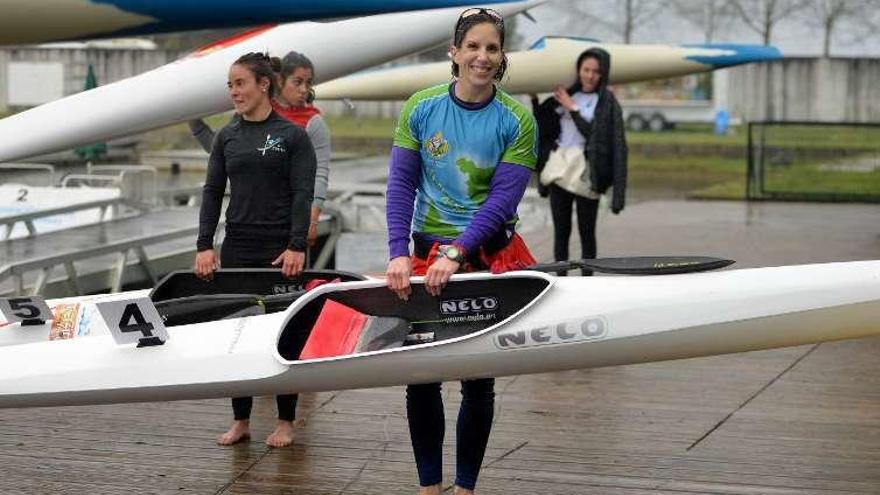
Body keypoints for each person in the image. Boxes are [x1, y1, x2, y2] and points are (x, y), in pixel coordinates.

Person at [384, 8, 537, 494]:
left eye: (492, 48)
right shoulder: (421, 107)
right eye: (472, 46)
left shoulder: (516, 120)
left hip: (489, 255)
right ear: (454, 53)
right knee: (423, 375)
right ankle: (430, 486)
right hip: (427, 253)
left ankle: (466, 487)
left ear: (502, 56)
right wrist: (397, 251)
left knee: (477, 379)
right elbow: (401, 186)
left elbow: (502, 200)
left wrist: (459, 252)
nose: (482, 57)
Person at [194, 52, 316, 448]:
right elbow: (212, 193)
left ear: (263, 85)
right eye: (230, 85)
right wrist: (204, 247)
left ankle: (285, 421)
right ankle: (241, 420)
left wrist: (297, 244)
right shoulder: (228, 137)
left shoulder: (292, 136)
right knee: (237, 333)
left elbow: (303, 193)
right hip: (238, 247)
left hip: (281, 249)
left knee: (285, 334)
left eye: (240, 83)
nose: (233, 92)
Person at [190, 51, 330, 248]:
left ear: (264, 83)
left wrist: (311, 219)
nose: (304, 90)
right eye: (297, 82)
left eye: (308, 83)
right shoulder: (247, 112)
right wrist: (194, 122)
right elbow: (220, 153)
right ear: (279, 81)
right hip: (239, 238)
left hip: (285, 231)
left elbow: (318, 175)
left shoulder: (311, 124)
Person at [530, 48, 627, 275]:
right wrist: (535, 100)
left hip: (587, 173)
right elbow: (542, 128)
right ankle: (561, 280)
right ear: (578, 71)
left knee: (587, 233)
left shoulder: (607, 102)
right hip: (559, 170)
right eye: (586, 70)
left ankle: (587, 281)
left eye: (596, 71)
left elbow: (599, 137)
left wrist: (572, 109)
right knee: (561, 232)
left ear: (603, 74)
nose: (590, 75)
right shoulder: (564, 95)